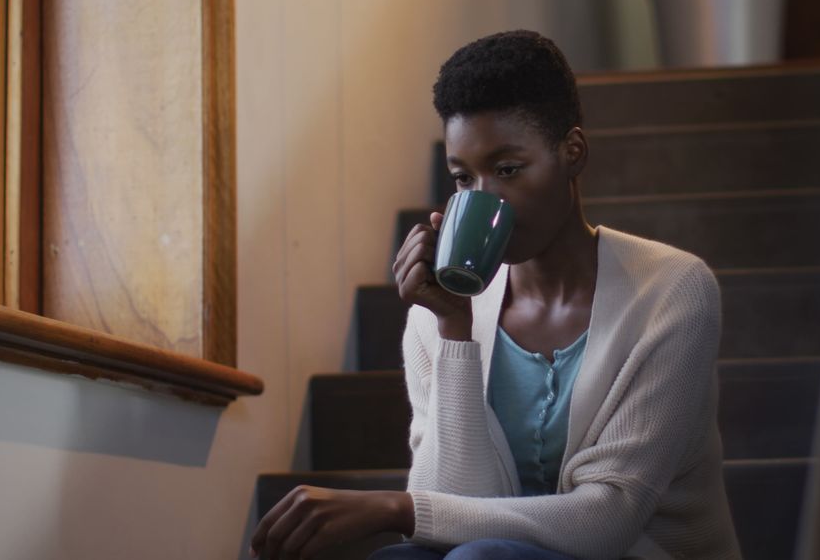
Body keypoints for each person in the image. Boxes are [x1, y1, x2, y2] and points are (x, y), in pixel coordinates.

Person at [251, 30, 741, 560]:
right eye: (464, 179)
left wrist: (397, 508)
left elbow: (608, 521)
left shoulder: (671, 291)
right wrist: (454, 330)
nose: (486, 199)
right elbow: (453, 510)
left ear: (572, 152)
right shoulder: (434, 317)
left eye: (507, 170)